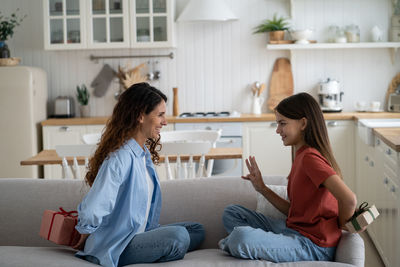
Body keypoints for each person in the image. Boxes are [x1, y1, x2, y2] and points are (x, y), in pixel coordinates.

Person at [72, 83, 205, 267]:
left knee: (196, 230)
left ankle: (152, 248)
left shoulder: (142, 154)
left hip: (140, 233)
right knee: (178, 236)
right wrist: (85, 231)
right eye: (160, 115)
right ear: (140, 116)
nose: (165, 122)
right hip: (118, 242)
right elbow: (96, 204)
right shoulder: (120, 157)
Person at [219, 92, 359, 262]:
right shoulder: (300, 155)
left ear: (303, 123)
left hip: (313, 245)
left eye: (282, 123)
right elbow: (294, 211)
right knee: (232, 213)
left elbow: (349, 199)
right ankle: (265, 244)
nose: (278, 130)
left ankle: (240, 243)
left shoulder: (310, 159)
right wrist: (262, 188)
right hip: (292, 229)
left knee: (240, 237)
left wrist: (344, 225)